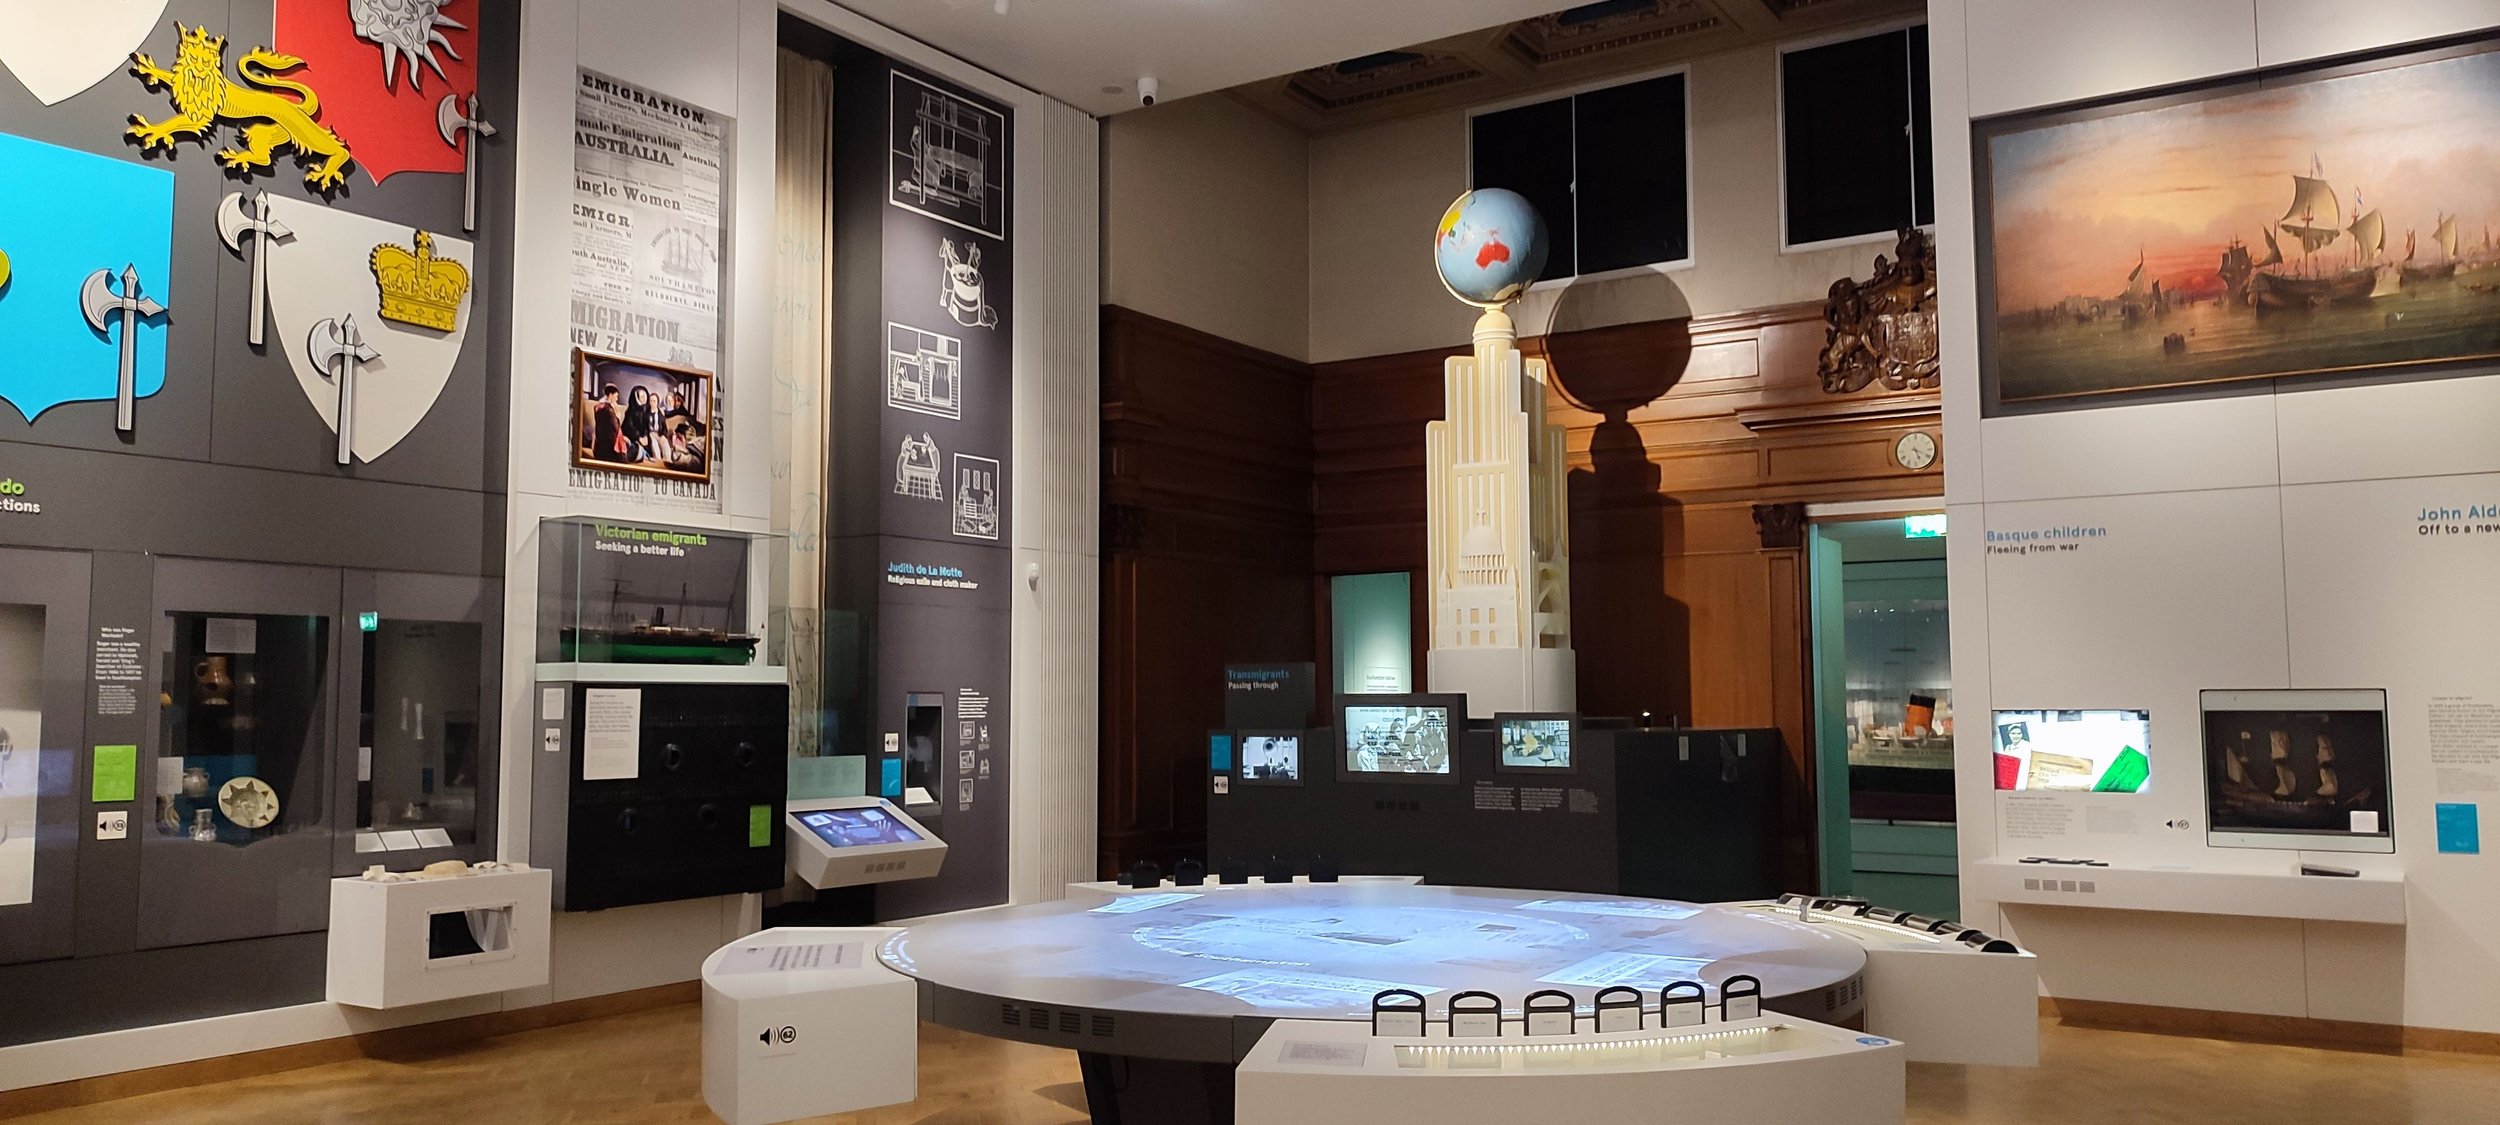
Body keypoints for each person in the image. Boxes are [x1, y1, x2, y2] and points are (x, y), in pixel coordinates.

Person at [588, 384, 625, 462]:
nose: (617, 399)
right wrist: (618, 417)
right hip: (609, 452)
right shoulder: (610, 411)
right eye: (616, 396)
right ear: (610, 395)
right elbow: (615, 429)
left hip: (598, 450)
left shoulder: (597, 407)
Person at [623, 387, 654, 464]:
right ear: (636, 397)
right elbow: (629, 426)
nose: (644, 398)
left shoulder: (647, 410)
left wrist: (646, 436)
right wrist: (638, 437)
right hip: (633, 437)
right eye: (642, 396)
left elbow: (648, 426)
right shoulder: (630, 411)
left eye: (645, 396)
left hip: (644, 437)